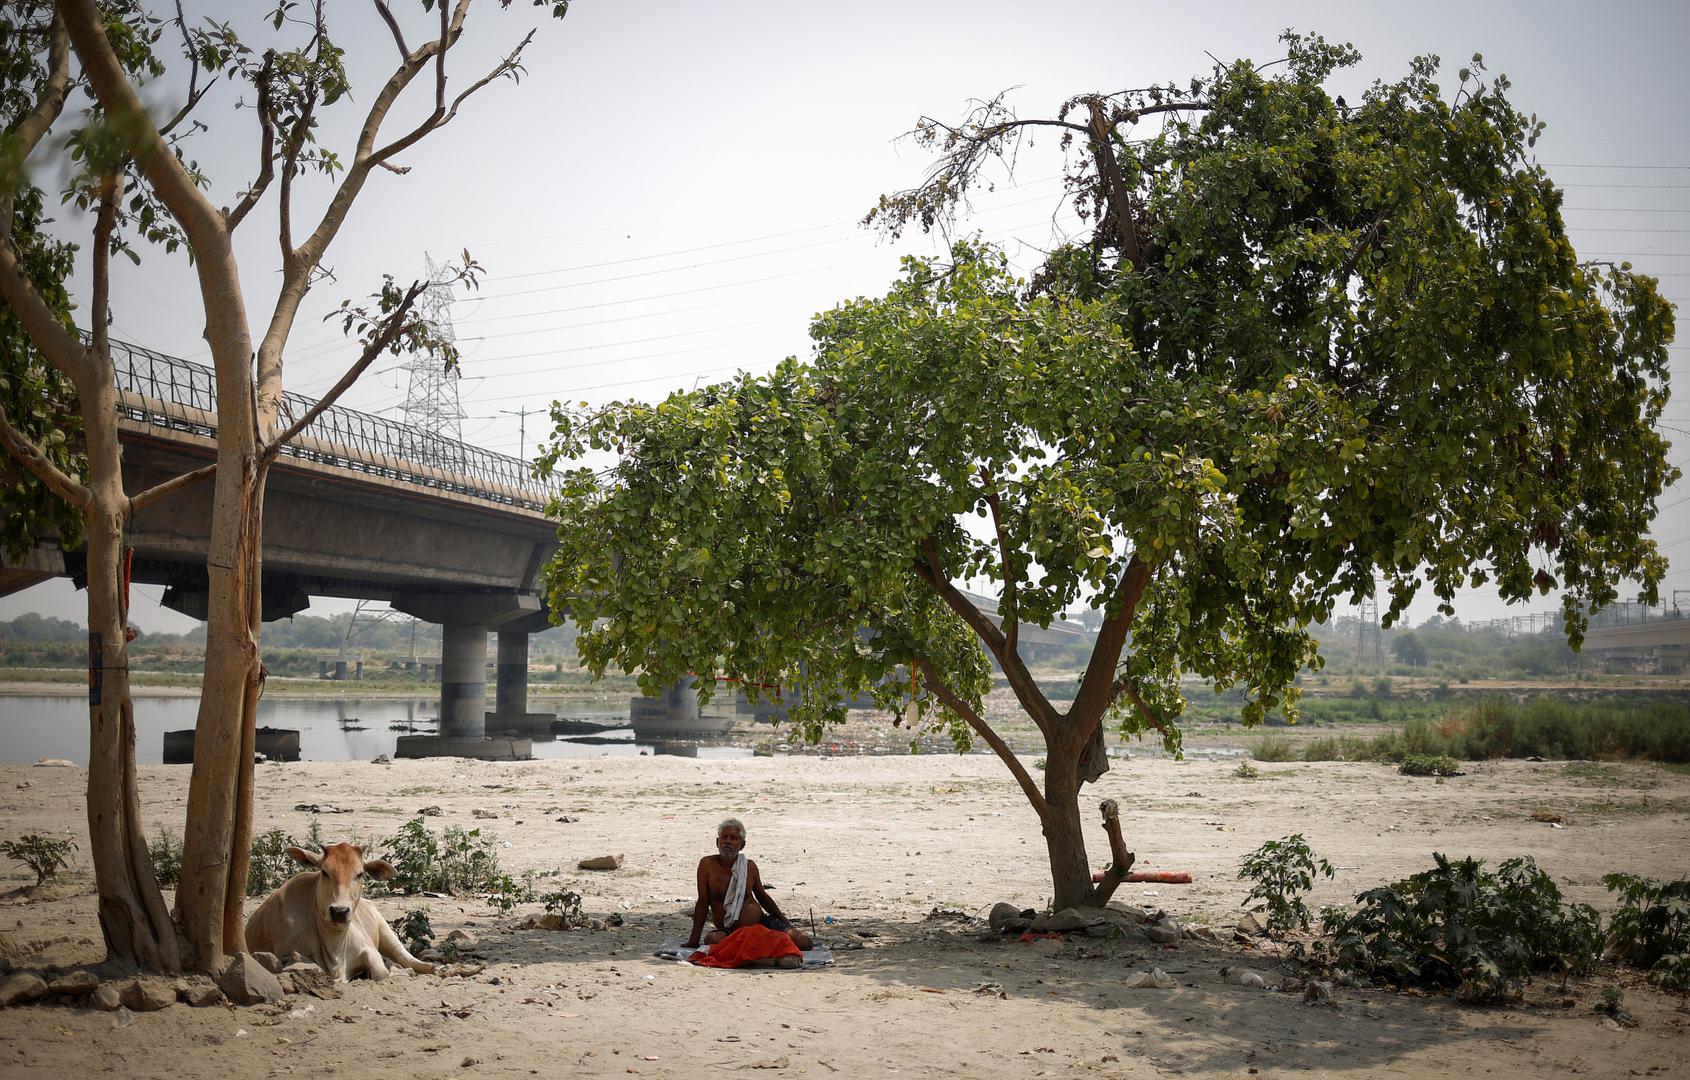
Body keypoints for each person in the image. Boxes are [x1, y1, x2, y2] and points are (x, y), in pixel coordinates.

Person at [684, 817, 813, 951]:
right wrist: (693, 941)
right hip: (730, 931)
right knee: (712, 939)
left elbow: (763, 897)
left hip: (760, 924)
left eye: (733, 838)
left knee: (804, 942)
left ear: (742, 845)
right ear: (717, 842)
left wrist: (786, 924)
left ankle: (755, 945)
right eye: (724, 837)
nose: (728, 841)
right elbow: (703, 903)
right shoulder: (707, 865)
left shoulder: (749, 867)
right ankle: (763, 945)